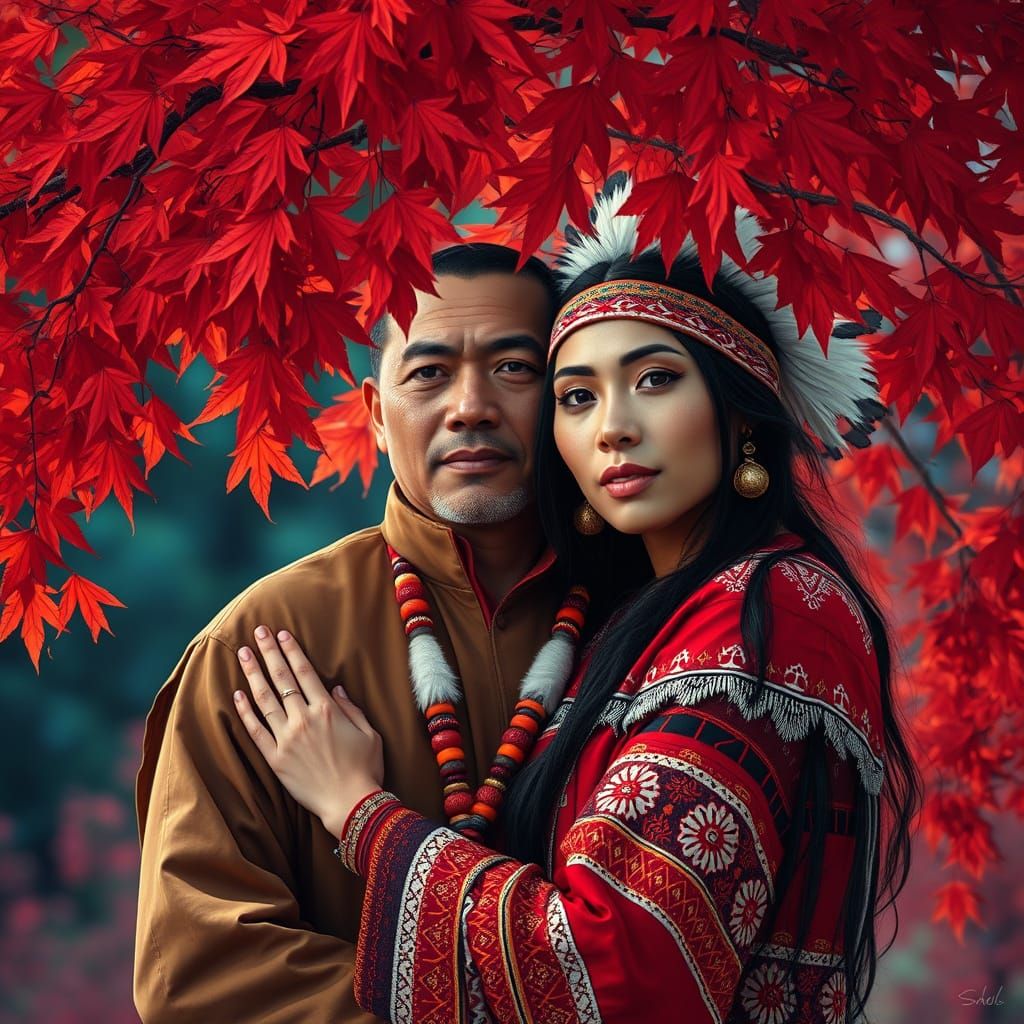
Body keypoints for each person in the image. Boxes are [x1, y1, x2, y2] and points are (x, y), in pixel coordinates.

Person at [232, 179, 920, 1024]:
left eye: (656, 380)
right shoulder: (647, 616)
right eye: (577, 395)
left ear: (742, 414)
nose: (612, 429)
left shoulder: (765, 613)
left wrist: (357, 809)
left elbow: (611, 974)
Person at [133, 244, 571, 1023]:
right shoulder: (264, 646)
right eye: (429, 372)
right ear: (373, 412)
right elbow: (197, 976)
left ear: (572, 395)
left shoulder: (653, 620)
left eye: (515, 367)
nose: (470, 405)